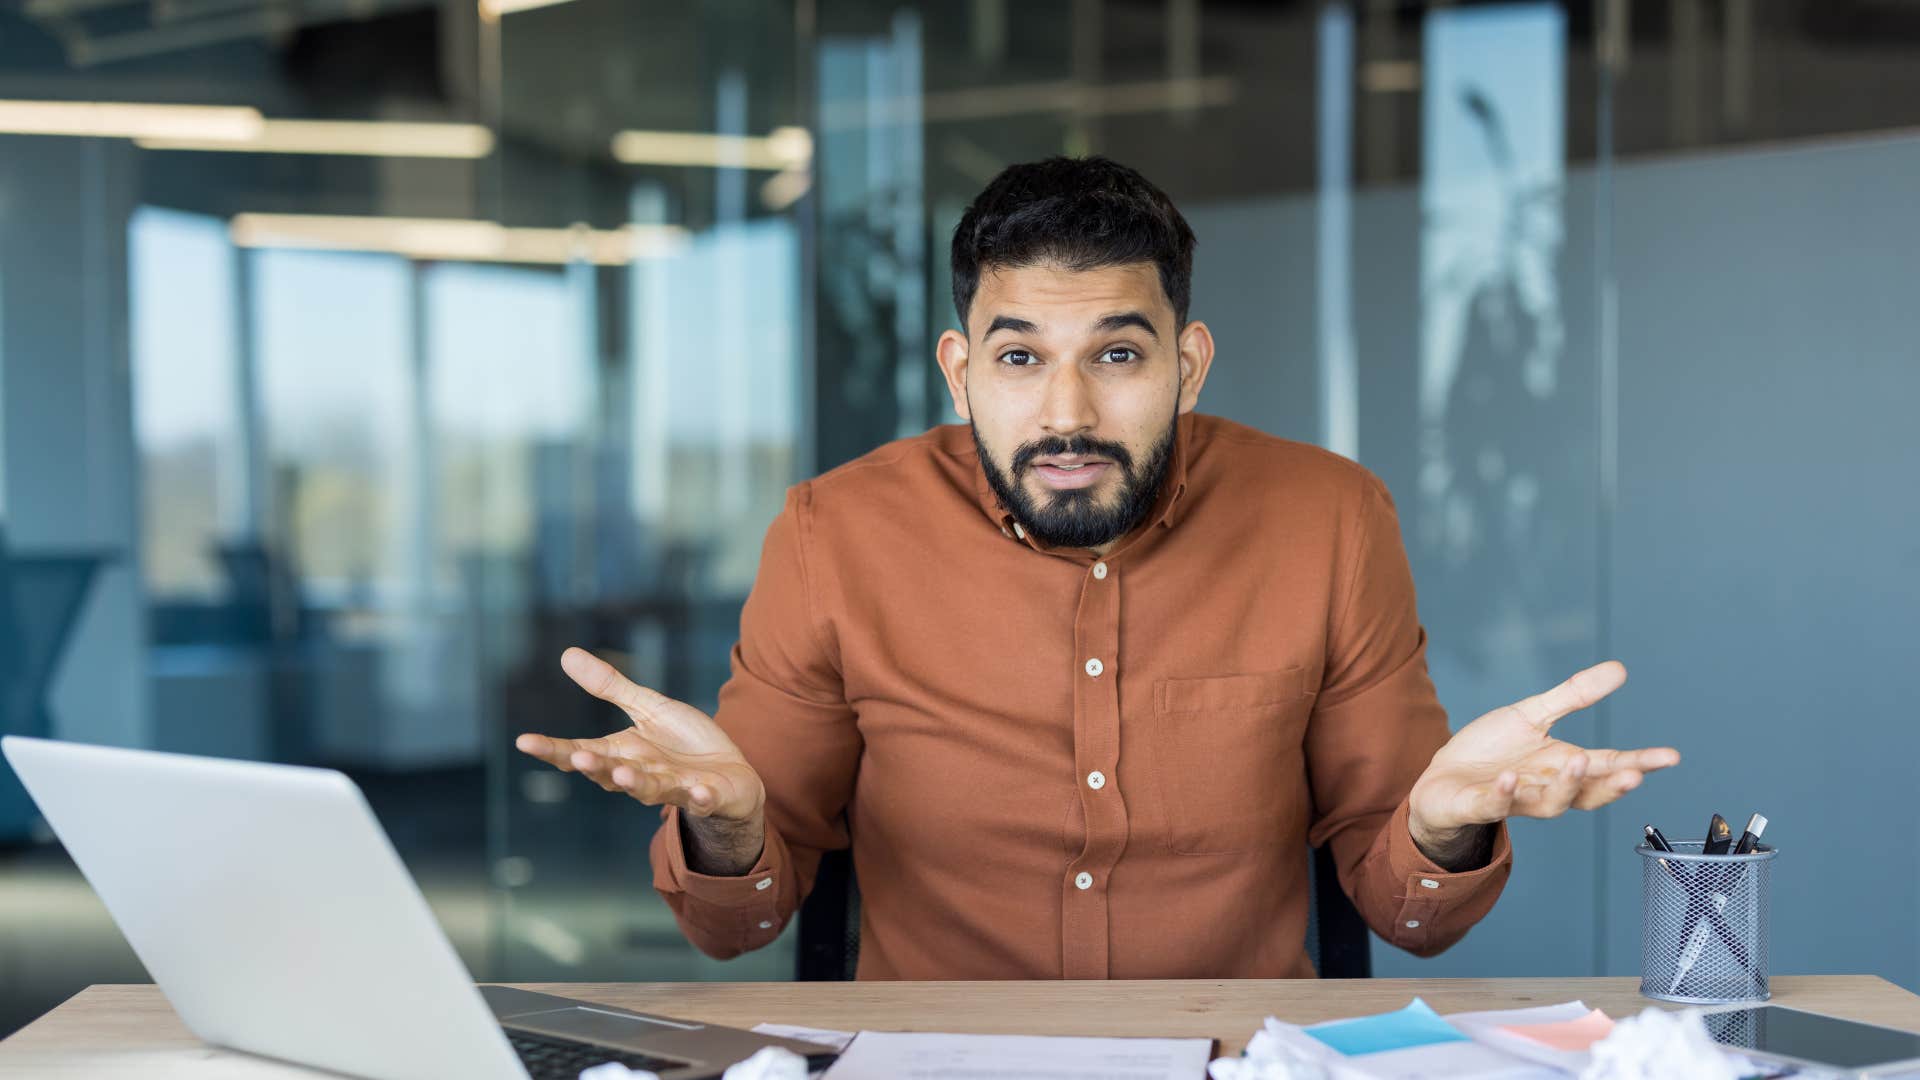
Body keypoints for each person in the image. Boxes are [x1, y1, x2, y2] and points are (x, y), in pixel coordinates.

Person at [515, 156, 1679, 979]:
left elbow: (1407, 915)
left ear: (1189, 362)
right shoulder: (834, 535)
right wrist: (726, 826)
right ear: (962, 372)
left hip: (1233, 1060)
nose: (1066, 412)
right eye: (1021, 357)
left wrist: (1439, 820)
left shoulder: (1332, 520)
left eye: (1118, 353)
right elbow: (738, 925)